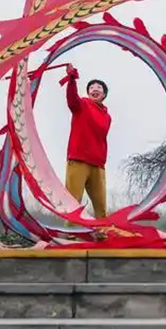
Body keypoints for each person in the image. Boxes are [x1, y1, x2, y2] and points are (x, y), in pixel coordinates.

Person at [62, 63, 112, 220]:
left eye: (99, 87)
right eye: (92, 87)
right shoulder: (82, 104)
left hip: (97, 164)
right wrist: (71, 79)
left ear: (104, 94)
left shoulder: (107, 116)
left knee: (101, 209)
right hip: (78, 160)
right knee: (73, 204)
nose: (95, 89)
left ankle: (102, 233)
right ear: (88, 92)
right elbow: (72, 99)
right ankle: (71, 233)